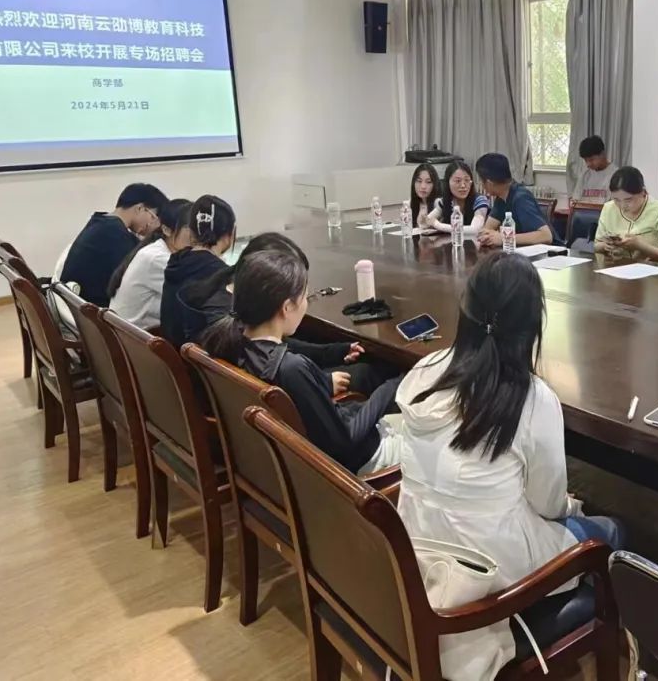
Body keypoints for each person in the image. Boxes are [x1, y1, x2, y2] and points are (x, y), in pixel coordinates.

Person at [395, 252, 622, 679]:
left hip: (417, 551)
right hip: (486, 573)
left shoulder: (426, 371)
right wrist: (573, 508)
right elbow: (549, 505)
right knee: (609, 532)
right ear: (531, 325)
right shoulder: (532, 399)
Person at [200, 249, 402, 476]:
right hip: (360, 464)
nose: (306, 304)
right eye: (305, 297)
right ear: (286, 307)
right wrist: (391, 388)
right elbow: (345, 443)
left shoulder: (234, 346)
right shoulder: (291, 369)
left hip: (283, 469)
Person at [176, 230, 391, 394]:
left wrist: (335, 351)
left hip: (241, 400)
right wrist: (323, 382)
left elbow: (279, 347)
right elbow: (276, 356)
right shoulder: (225, 314)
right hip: (276, 395)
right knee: (370, 373)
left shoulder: (222, 293)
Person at [59, 183, 168, 306]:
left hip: (76, 307)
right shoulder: (115, 233)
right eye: (154, 217)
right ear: (140, 209)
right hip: (94, 310)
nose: (153, 225)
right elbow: (133, 276)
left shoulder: (101, 222)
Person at [159, 195, 236, 347]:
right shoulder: (222, 275)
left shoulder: (176, 263)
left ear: (191, 231)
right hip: (200, 358)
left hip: (173, 355)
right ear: (229, 234)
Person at [108, 199, 192, 328]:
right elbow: (196, 296)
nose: (197, 237)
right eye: (189, 229)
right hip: (134, 337)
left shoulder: (157, 250)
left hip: (128, 333)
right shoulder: (158, 258)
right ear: (167, 230)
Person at [593, 166, 658, 263]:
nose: (622, 206)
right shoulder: (608, 208)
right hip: (615, 267)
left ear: (643, 192)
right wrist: (605, 246)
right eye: (616, 200)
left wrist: (641, 246)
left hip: (650, 270)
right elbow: (596, 245)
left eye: (628, 200)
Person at [473, 153, 553, 247]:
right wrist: (486, 235)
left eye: (481, 181)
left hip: (551, 253)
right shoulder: (501, 197)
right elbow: (488, 229)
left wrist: (504, 238)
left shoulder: (521, 198)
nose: (481, 184)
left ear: (489, 183)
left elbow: (546, 236)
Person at [425, 160, 491, 235]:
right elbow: (428, 220)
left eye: (467, 180)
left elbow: (475, 229)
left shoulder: (480, 200)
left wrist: (438, 225)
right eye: (458, 181)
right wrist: (423, 220)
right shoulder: (445, 201)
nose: (463, 185)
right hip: (452, 241)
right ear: (448, 182)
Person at [572, 135, 616, 203]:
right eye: (586, 160)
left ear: (602, 154)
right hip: (583, 209)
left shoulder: (615, 174)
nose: (588, 164)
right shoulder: (585, 174)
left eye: (591, 160)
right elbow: (575, 200)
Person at [408, 163, 441, 228]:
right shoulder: (410, 203)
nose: (423, 186)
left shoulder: (438, 204)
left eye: (428, 182)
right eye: (419, 181)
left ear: (435, 184)